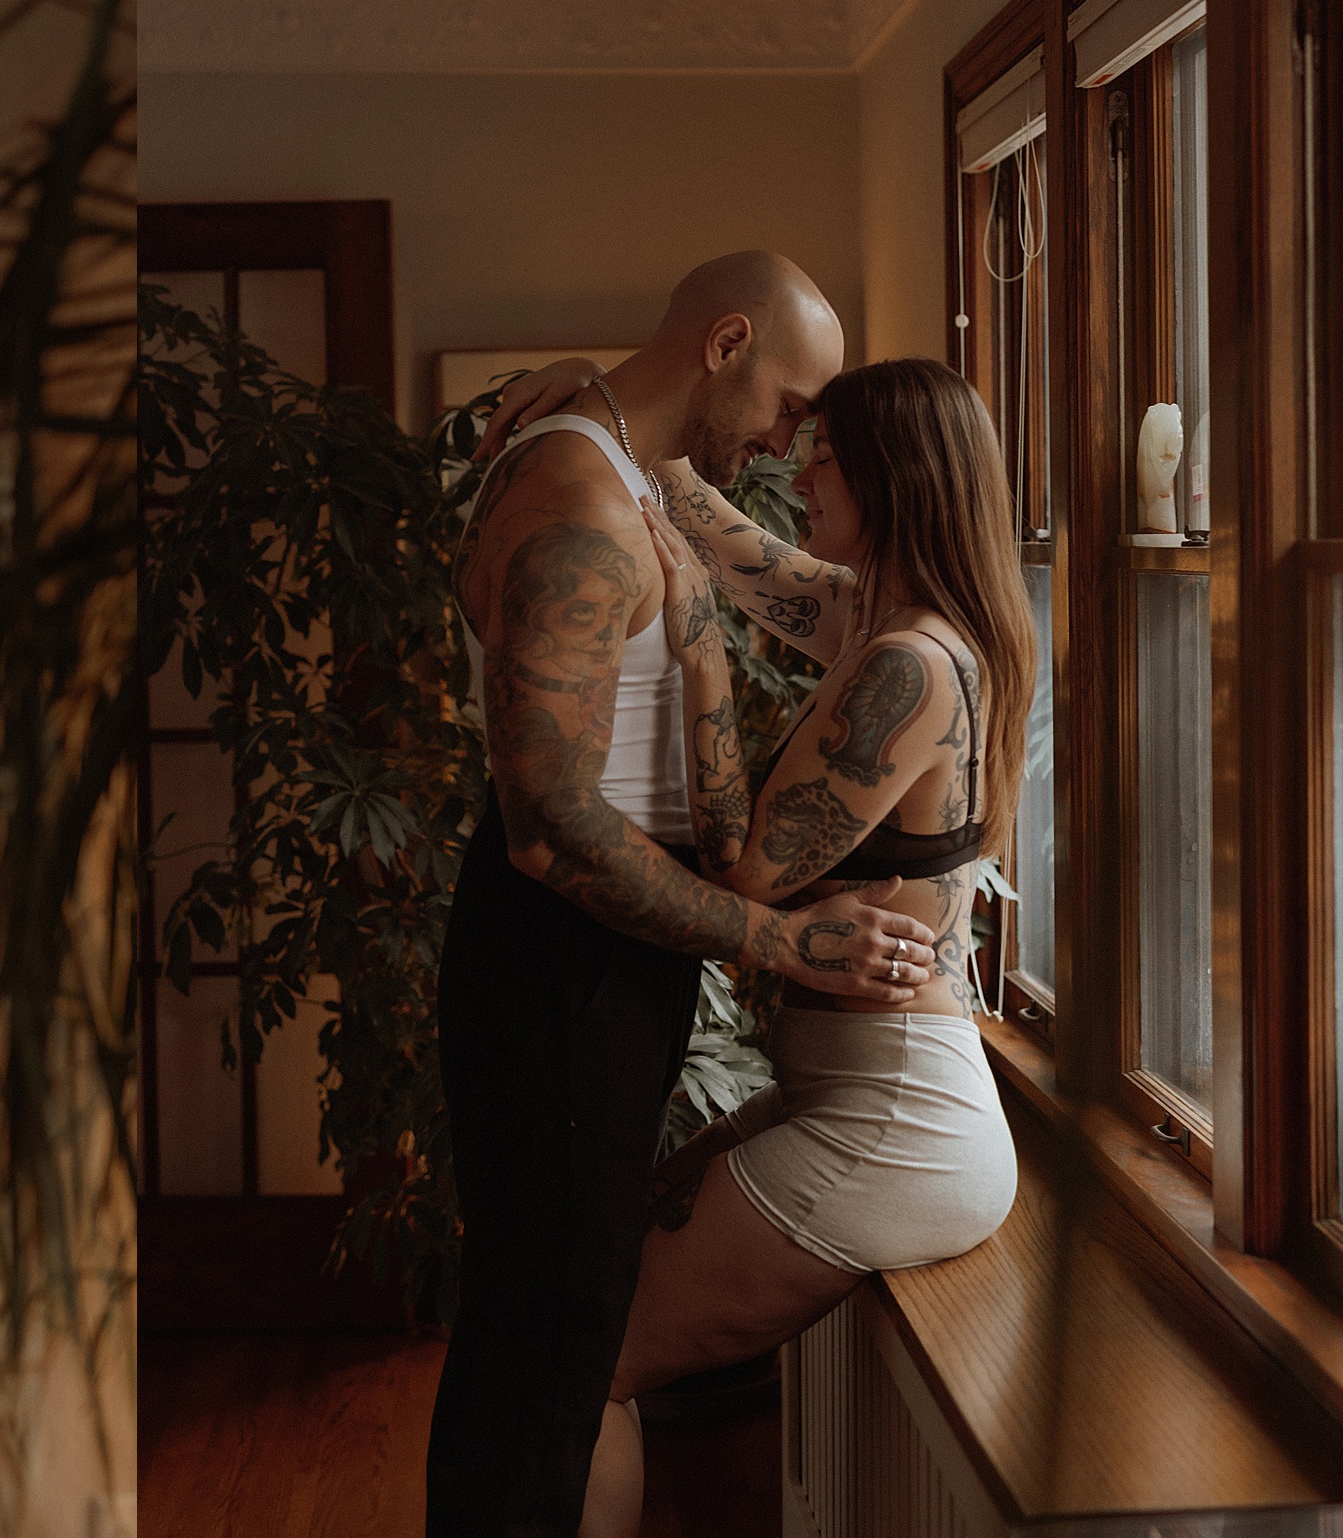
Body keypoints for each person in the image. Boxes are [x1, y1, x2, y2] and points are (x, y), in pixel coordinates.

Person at [429, 252, 941, 1538]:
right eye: (784, 401)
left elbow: (770, 588)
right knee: (546, 1361)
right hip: (564, 948)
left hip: (608, 949)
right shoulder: (578, 499)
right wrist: (779, 941)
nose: (786, 441)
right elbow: (549, 832)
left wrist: (605, 407)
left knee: (555, 1334)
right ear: (723, 343)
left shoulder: (615, 472)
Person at [577, 356, 1032, 1538]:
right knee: (580, 1308)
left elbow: (748, 874)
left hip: (893, 1127)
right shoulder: (885, 621)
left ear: (896, 473)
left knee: (585, 1365)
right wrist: (611, 400)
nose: (797, 462)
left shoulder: (905, 663)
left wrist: (696, 645)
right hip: (862, 1098)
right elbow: (721, 534)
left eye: (826, 450)